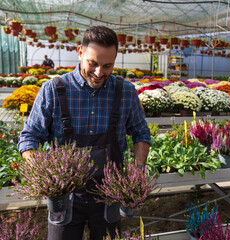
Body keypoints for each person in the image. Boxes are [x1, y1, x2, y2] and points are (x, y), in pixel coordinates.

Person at [18, 26, 151, 240]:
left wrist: (137, 173)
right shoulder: (53, 90)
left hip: (110, 193)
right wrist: (46, 177)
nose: (99, 73)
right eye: (93, 63)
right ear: (80, 52)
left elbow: (141, 133)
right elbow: (28, 138)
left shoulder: (124, 92)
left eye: (107, 66)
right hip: (64, 196)